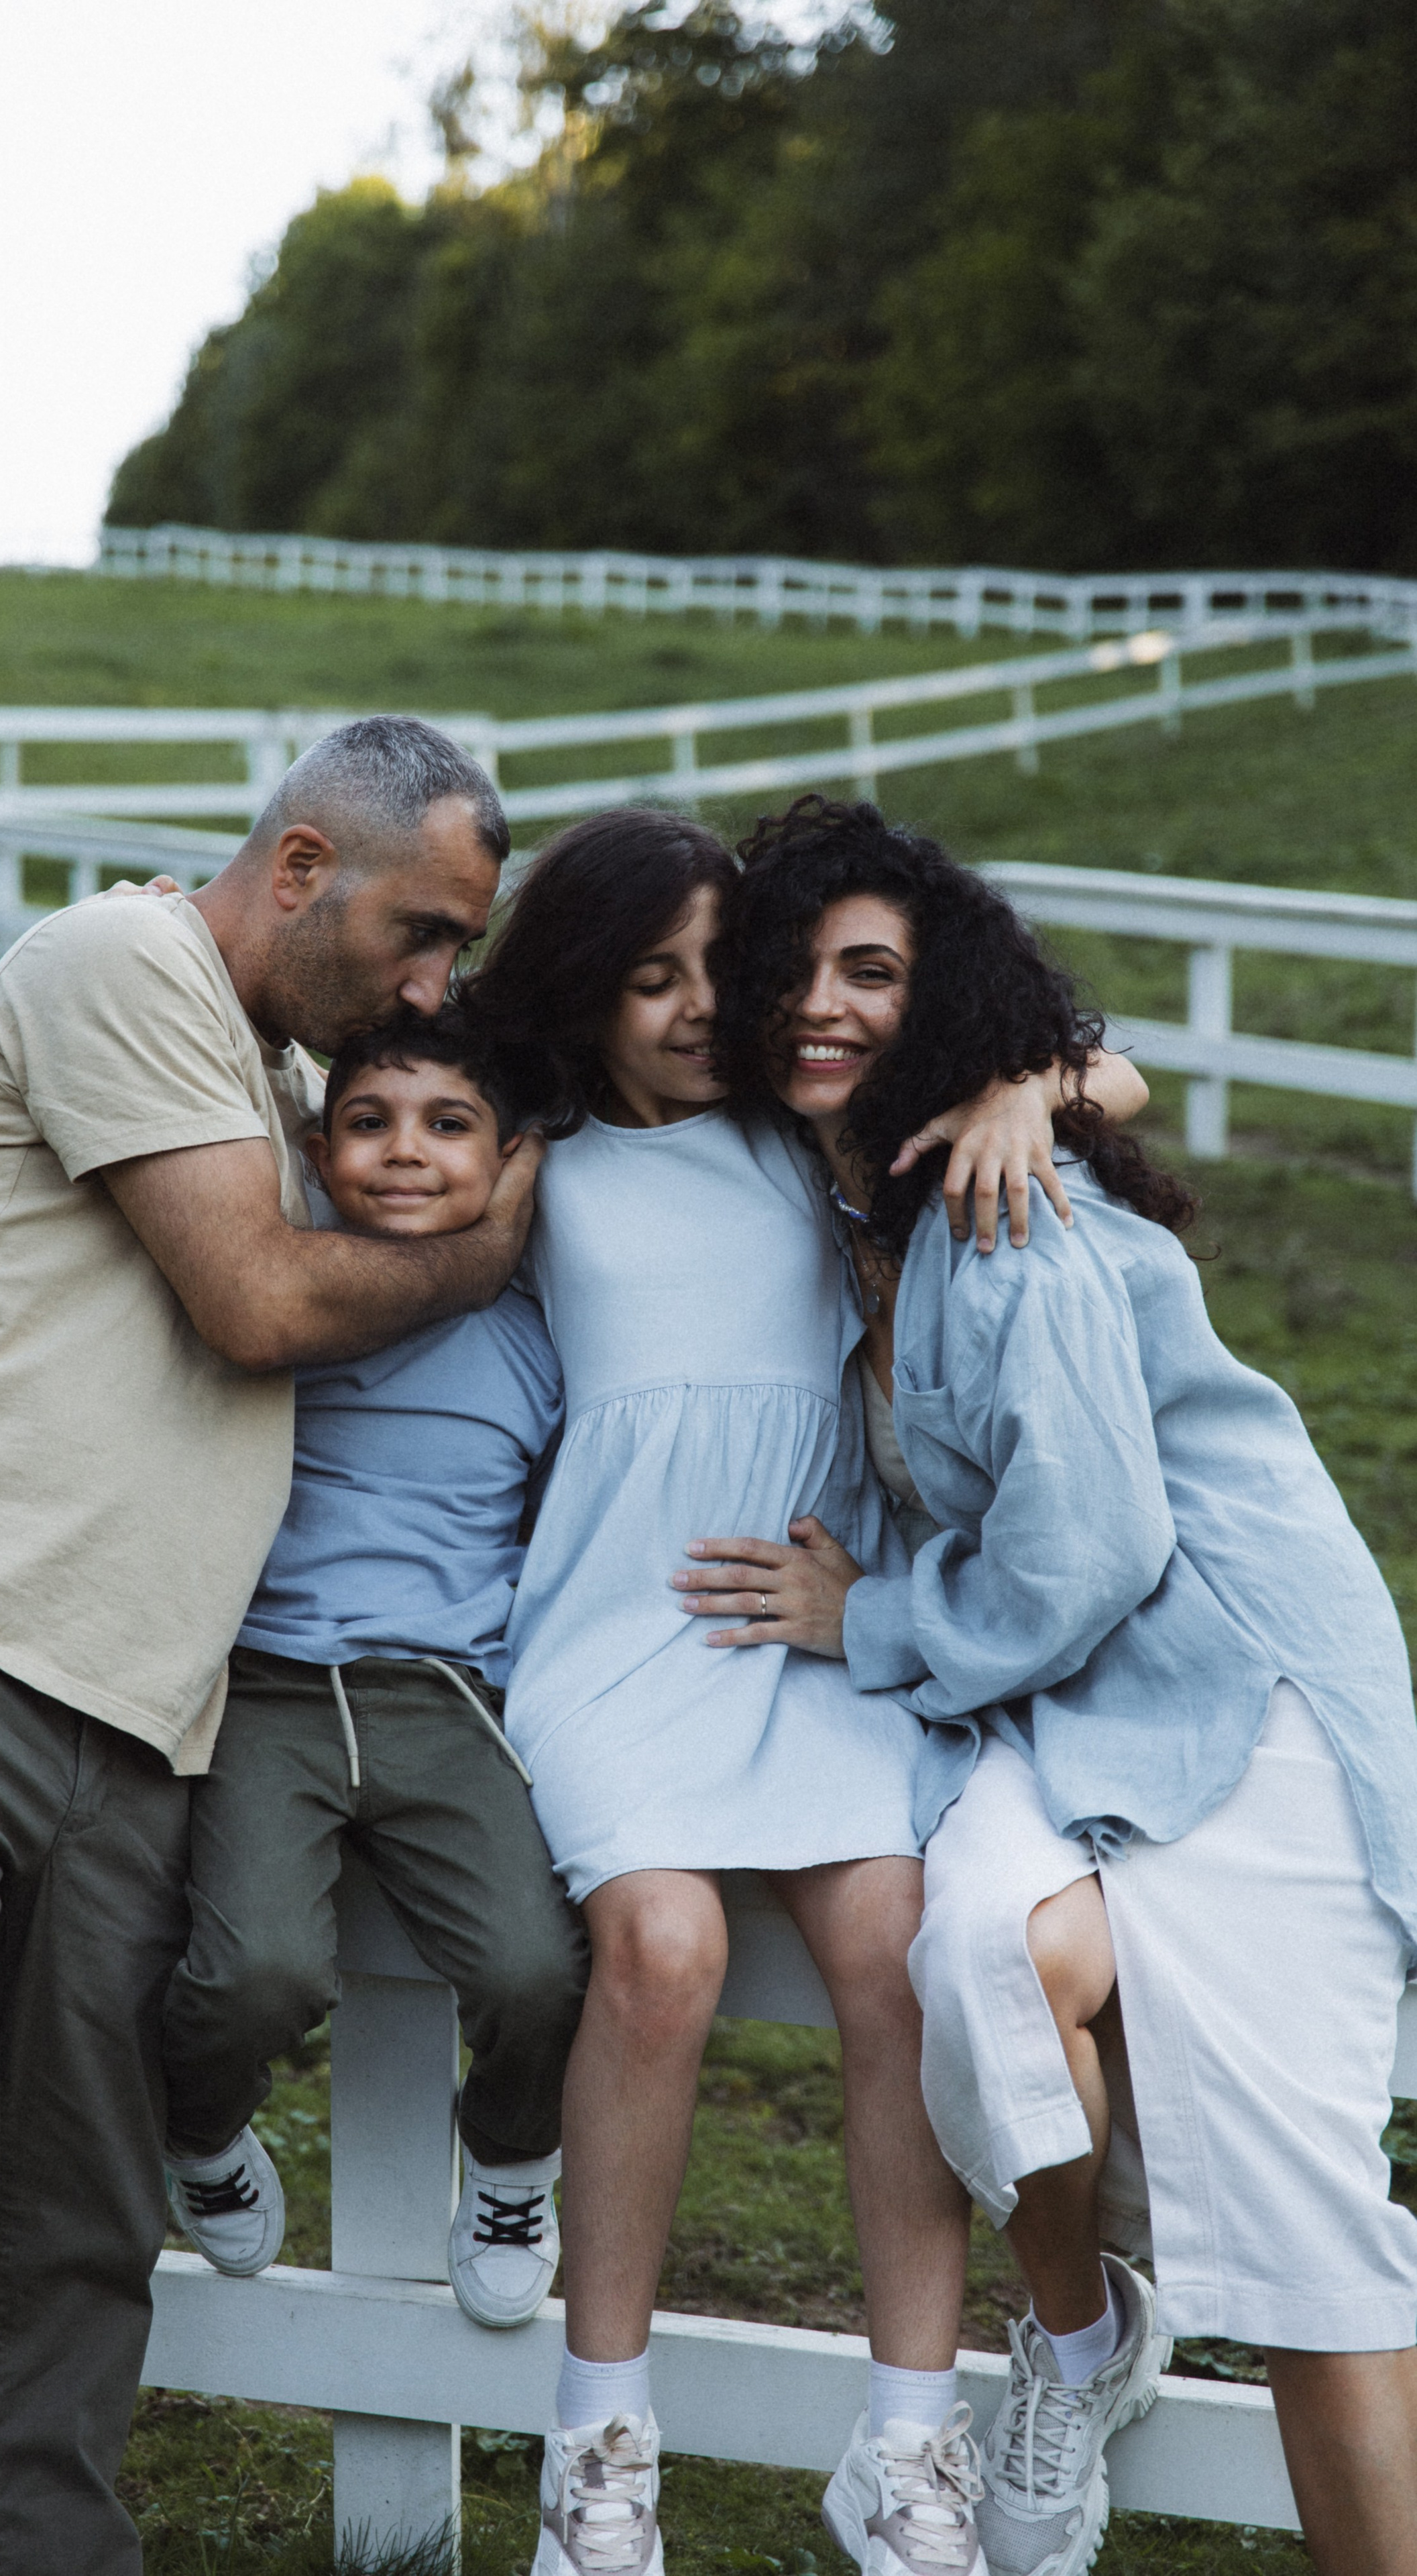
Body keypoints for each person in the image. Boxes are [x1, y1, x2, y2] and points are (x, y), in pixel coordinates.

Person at [0, 718, 539, 2576]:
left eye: (460, 955)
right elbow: (255, 1300)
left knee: (77, 2216)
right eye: (419, 931)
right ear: (307, 864)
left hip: (132, 1718)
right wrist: (484, 1251)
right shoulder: (124, 964)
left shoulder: (283, 1087)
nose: (432, 986)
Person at [690, 795, 1417, 2576]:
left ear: (945, 1001)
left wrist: (865, 1620)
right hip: (1064, 1709)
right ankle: (1084, 2327)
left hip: (1239, 1696)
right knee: (988, 1960)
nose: (825, 1004)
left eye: (875, 971)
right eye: (794, 969)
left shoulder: (1012, 1225)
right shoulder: (881, 1181)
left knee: (1315, 2245)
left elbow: (1086, 1554)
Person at [461, 809, 1145, 2576]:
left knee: (896, 1949)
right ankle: (599, 2444)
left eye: (723, 973)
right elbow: (358, 1091)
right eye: (651, 978)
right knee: (665, 1952)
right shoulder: (535, 1161)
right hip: (624, 1633)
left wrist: (1031, 1094)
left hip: (821, 1624)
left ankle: (909, 2448)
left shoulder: (816, 1136)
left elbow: (1111, 1074)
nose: (699, 1011)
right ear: (583, 991)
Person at [160, 1005, 589, 2330]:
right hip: (268, 1693)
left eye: (448, 1126)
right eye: (370, 1122)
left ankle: (511, 2161)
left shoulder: (532, 1330)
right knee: (252, 1978)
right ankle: (199, 2128)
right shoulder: (287, 1294)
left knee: (536, 1972)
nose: (405, 1152)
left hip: (445, 1697)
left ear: (512, 1158)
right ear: (315, 1142)